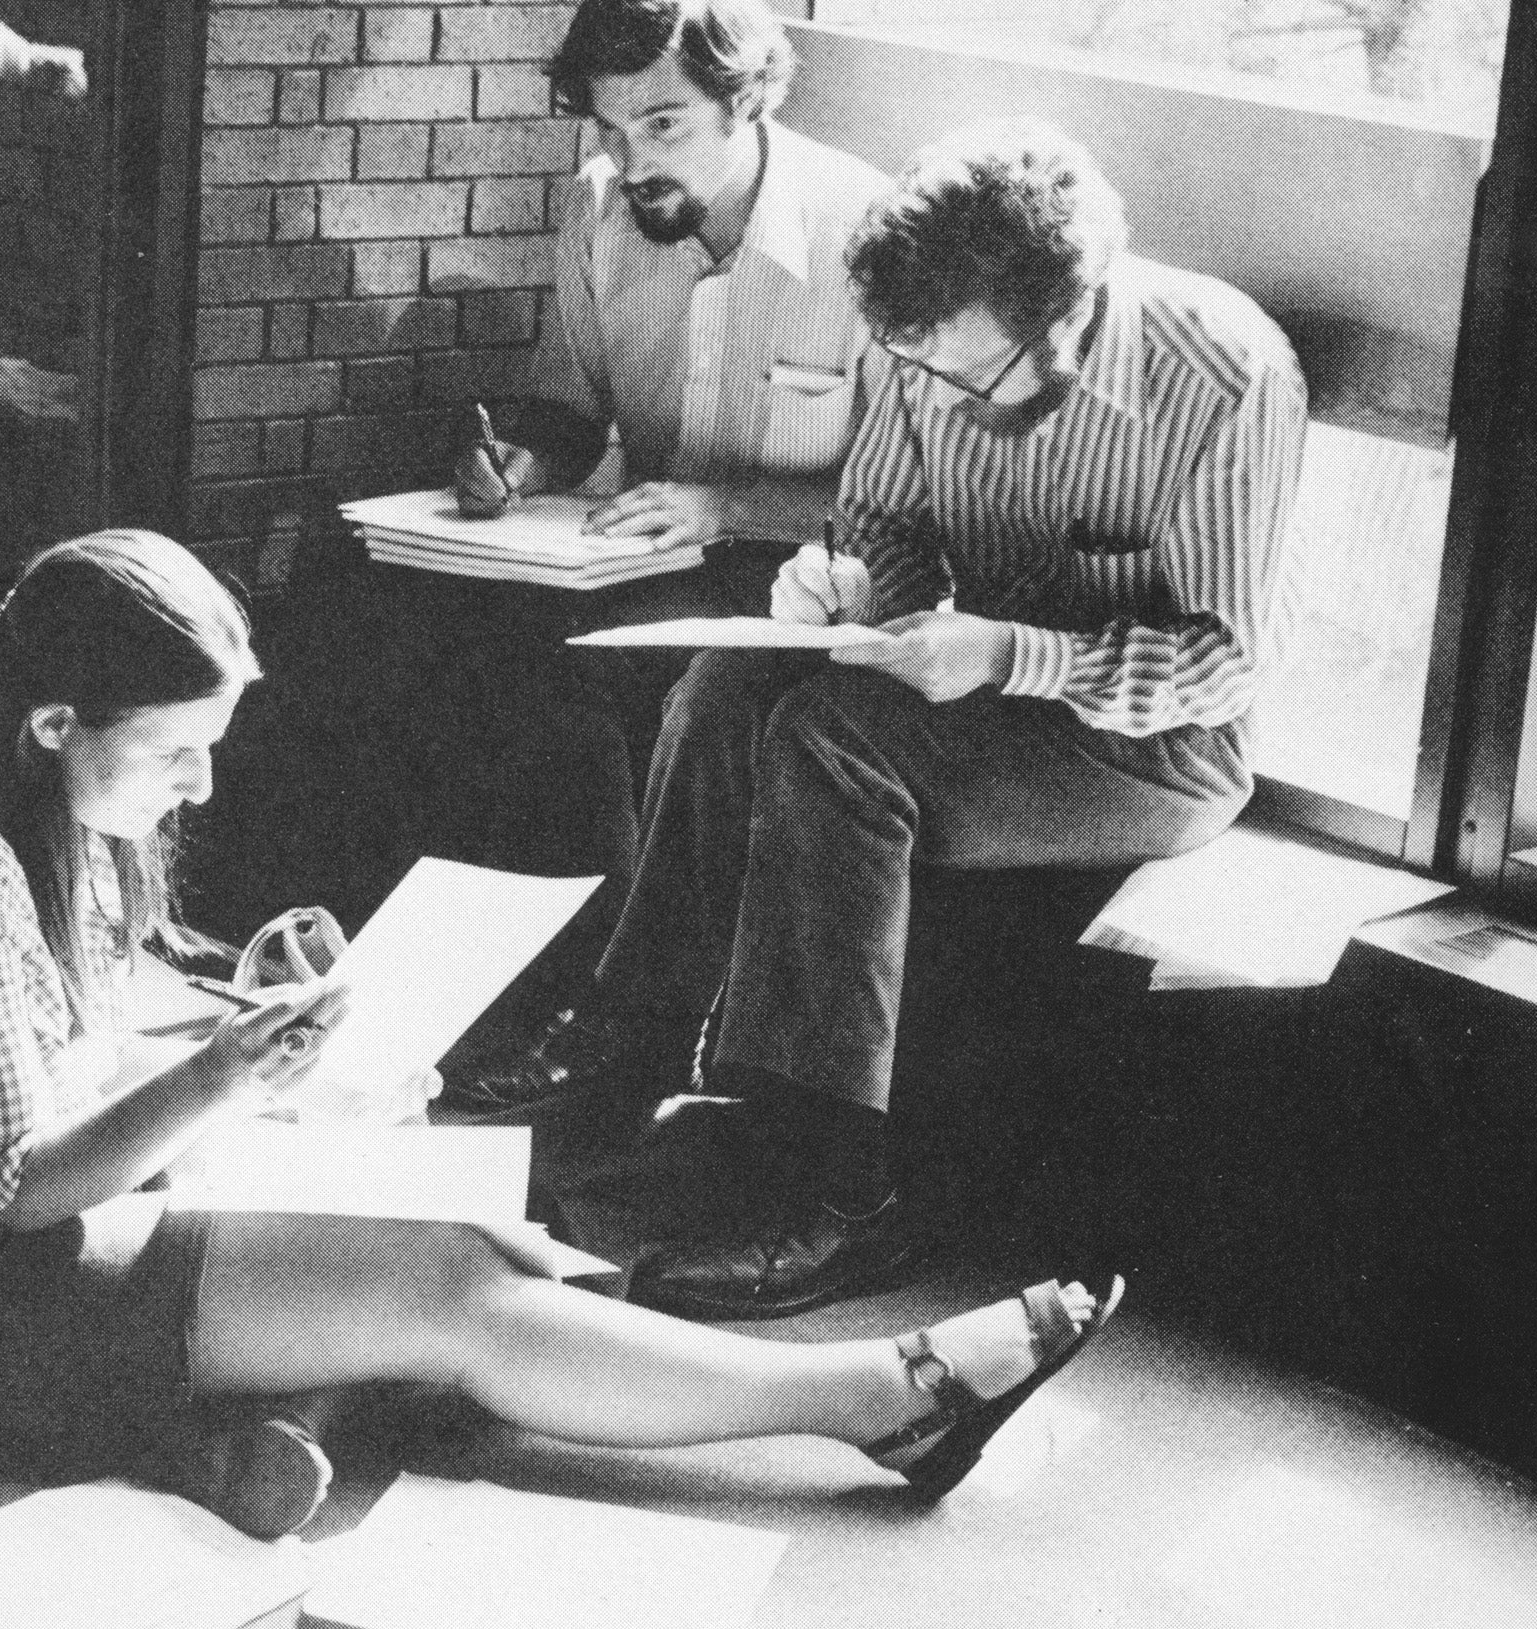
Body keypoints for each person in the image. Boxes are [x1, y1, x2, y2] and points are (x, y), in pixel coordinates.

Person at [0, 525, 1123, 1539]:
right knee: (448, 1289)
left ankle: (252, 1427)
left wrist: (240, 1012)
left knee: (490, 1249)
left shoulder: (21, 802)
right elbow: (12, 1182)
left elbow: (70, 1028)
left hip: (7, 1233)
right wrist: (227, 1074)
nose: (199, 784)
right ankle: (886, 1394)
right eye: (175, 751)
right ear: (51, 721)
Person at [470, 119, 1306, 1323]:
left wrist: (1014, 651)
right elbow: (887, 530)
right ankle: (634, 1050)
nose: (942, 397)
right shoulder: (927, 342)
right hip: (971, 683)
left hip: (1149, 739)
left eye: (972, 378)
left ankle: (839, 1195)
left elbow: (1222, 662)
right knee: (723, 685)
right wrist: (848, 584)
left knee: (833, 744)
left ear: (1065, 315)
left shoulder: (1226, 371)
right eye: (917, 371)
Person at [352, 0, 891, 1043]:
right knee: (392, 624)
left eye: (663, 124)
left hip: (804, 581)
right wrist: (521, 455)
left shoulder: (863, 234)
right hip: (633, 557)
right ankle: (425, 1001)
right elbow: (569, 404)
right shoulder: (600, 205)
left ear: (746, 100)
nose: (630, 157)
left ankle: (586, 1009)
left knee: (570, 685)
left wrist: (727, 502)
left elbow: (902, 498)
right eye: (608, 128)